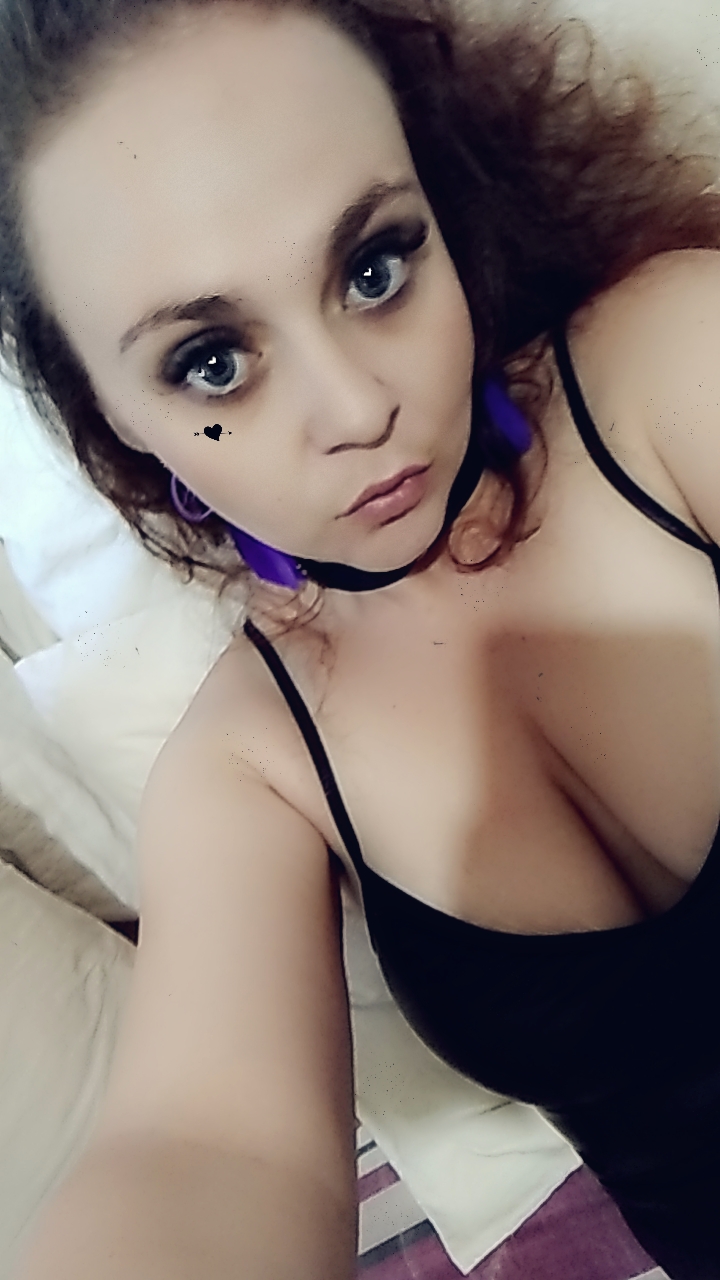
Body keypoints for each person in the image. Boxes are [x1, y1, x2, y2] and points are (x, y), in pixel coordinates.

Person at [4, 0, 720, 1276]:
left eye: (376, 266)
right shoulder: (249, 767)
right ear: (116, 424)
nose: (358, 406)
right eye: (212, 361)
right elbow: (207, 1148)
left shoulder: (681, 372)